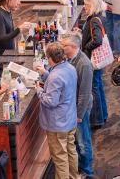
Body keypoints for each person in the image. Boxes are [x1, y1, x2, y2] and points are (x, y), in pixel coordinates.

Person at [35, 42, 79, 179]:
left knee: (60, 158)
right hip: (70, 119)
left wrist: (39, 91)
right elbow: (62, 86)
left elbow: (51, 101)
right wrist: (45, 74)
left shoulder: (55, 76)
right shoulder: (70, 68)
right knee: (71, 151)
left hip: (58, 124)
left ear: (49, 58)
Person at [60, 32, 95, 177]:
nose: (61, 48)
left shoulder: (84, 64)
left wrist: (79, 115)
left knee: (82, 141)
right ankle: (79, 166)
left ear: (74, 46)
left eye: (64, 46)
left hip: (80, 109)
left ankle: (87, 171)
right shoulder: (69, 59)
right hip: (72, 106)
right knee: (76, 140)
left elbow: (85, 93)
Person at [80, 0, 109, 129]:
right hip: (98, 60)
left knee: (94, 89)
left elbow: (97, 40)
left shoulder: (94, 20)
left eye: (86, 4)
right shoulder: (100, 16)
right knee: (98, 87)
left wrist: (86, 47)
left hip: (93, 59)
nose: (84, 7)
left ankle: (97, 120)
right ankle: (103, 115)